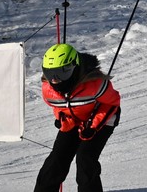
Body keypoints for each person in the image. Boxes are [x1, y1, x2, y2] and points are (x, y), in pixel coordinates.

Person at [35, 43, 121, 192]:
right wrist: (62, 118)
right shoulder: (47, 89)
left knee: (85, 158)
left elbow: (112, 103)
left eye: (61, 74)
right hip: (74, 120)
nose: (55, 80)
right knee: (56, 159)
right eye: (50, 74)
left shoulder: (95, 84)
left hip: (103, 119)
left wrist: (92, 126)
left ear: (73, 68)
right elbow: (58, 105)